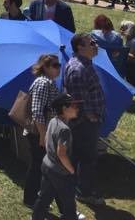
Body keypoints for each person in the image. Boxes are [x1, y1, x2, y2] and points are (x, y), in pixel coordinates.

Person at [63, 32, 105, 206]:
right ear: (80, 47)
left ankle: (75, 187)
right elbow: (78, 99)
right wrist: (91, 116)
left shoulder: (84, 64)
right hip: (84, 122)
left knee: (80, 155)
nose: (95, 45)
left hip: (86, 120)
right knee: (86, 157)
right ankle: (84, 192)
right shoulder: (78, 68)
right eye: (91, 43)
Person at [31, 92, 82, 220]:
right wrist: (71, 170)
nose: (77, 108)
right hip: (59, 172)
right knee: (69, 203)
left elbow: (48, 138)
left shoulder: (54, 121)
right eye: (74, 106)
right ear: (64, 109)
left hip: (47, 165)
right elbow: (61, 153)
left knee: (44, 198)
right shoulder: (64, 129)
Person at [23, 54, 61, 208]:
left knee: (41, 167)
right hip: (39, 133)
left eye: (59, 65)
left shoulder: (49, 83)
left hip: (43, 132)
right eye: (55, 65)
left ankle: (35, 198)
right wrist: (43, 135)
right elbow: (37, 111)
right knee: (41, 167)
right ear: (45, 67)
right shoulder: (43, 83)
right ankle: (32, 200)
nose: (59, 68)